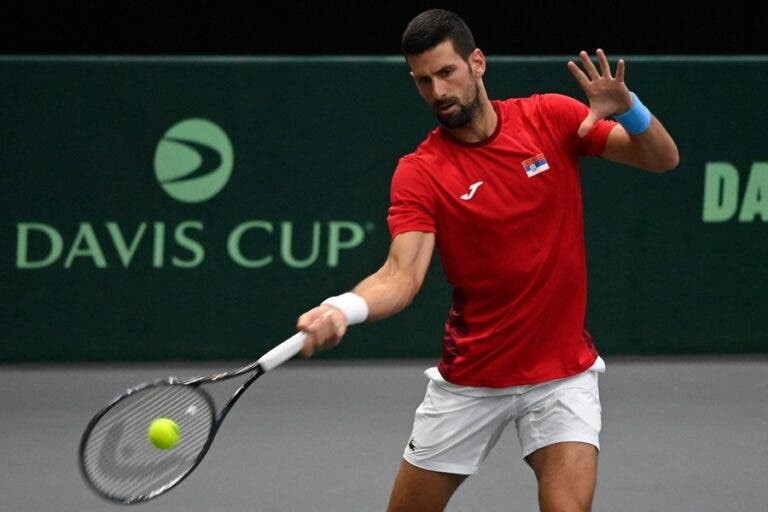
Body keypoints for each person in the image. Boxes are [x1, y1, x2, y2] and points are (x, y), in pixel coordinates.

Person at [296, 8, 679, 512]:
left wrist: (629, 108)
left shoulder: (550, 118)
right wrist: (343, 308)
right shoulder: (421, 171)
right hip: (471, 381)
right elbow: (401, 275)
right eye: (422, 81)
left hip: (562, 374)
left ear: (477, 62)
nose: (437, 92)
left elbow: (661, 158)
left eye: (446, 73)